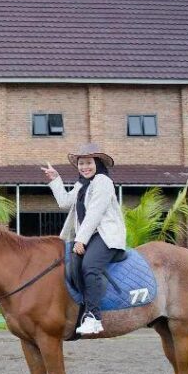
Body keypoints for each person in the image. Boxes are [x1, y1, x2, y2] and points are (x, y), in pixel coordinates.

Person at [41, 143, 127, 335]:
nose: (84, 167)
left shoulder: (103, 181)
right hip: (89, 235)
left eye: (88, 162)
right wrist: (56, 179)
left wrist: (81, 240)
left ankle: (94, 317)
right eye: (81, 163)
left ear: (97, 163)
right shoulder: (82, 184)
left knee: (90, 266)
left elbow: (95, 213)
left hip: (105, 235)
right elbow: (64, 202)